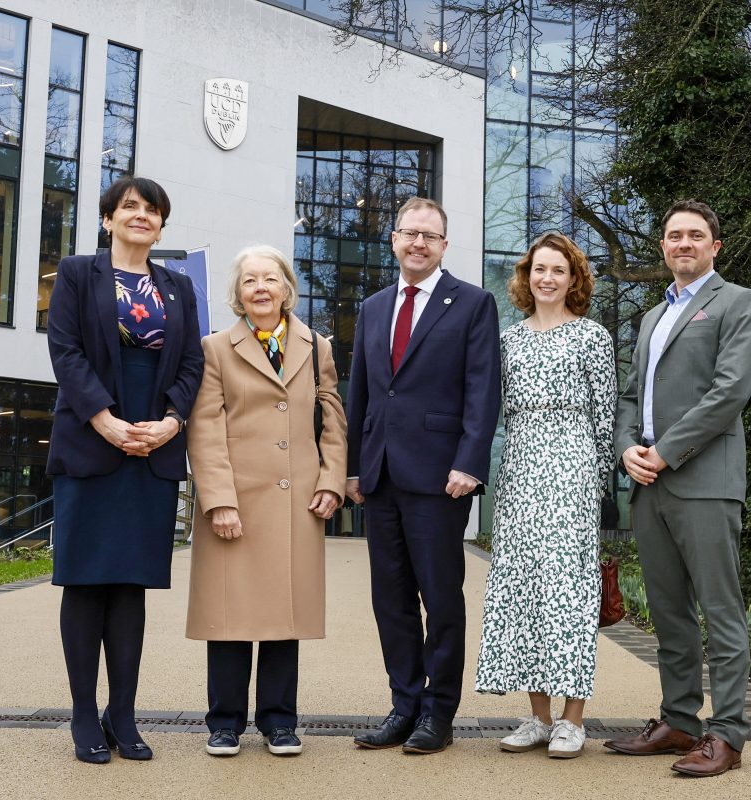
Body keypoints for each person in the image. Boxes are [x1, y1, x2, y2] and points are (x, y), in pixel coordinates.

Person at [46, 176, 204, 764]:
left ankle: (125, 715)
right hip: (92, 445)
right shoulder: (76, 273)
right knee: (87, 581)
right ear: (108, 219)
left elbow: (192, 361)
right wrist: (104, 421)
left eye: (153, 210)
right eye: (130, 208)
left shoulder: (179, 287)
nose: (142, 216)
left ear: (162, 224)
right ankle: (85, 715)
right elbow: (66, 352)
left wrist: (171, 422)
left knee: (131, 584)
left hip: (154, 445)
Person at [605, 200, 751, 777]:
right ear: (663, 247)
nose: (683, 244)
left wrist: (666, 451)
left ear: (715, 246)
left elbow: (730, 390)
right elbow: (629, 397)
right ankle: (679, 721)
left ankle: (727, 734)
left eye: (695, 235)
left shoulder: (739, 302)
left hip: (704, 479)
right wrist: (628, 449)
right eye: (674, 236)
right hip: (649, 483)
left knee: (721, 611)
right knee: (669, 613)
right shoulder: (652, 316)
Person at [346, 197, 502, 754]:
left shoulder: (474, 304)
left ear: (443, 245)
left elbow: (484, 392)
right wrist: (350, 470)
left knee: (440, 597)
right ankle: (403, 705)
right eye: (409, 233)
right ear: (394, 240)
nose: (418, 243)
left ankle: (439, 714)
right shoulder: (373, 306)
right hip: (381, 474)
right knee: (390, 599)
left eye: (429, 236)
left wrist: (470, 462)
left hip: (441, 476)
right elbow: (360, 392)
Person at [186, 245, 347, 758]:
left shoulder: (316, 345)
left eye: (270, 279)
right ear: (237, 293)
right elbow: (205, 428)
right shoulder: (214, 348)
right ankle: (225, 722)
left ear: (286, 289)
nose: (260, 287)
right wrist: (218, 501)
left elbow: (333, 421)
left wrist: (331, 480)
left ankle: (280, 722)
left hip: (298, 497)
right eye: (250, 280)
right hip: (237, 498)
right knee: (230, 615)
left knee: (285, 614)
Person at [474, 232, 616, 759]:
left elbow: (605, 420)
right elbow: (500, 414)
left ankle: (573, 720)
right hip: (520, 472)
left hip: (573, 472)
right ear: (525, 277)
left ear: (574, 279)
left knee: (571, 594)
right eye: (539, 269)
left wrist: (599, 487)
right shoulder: (508, 341)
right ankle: (537, 716)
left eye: (559, 270)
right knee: (523, 589)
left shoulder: (593, 338)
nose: (547, 278)